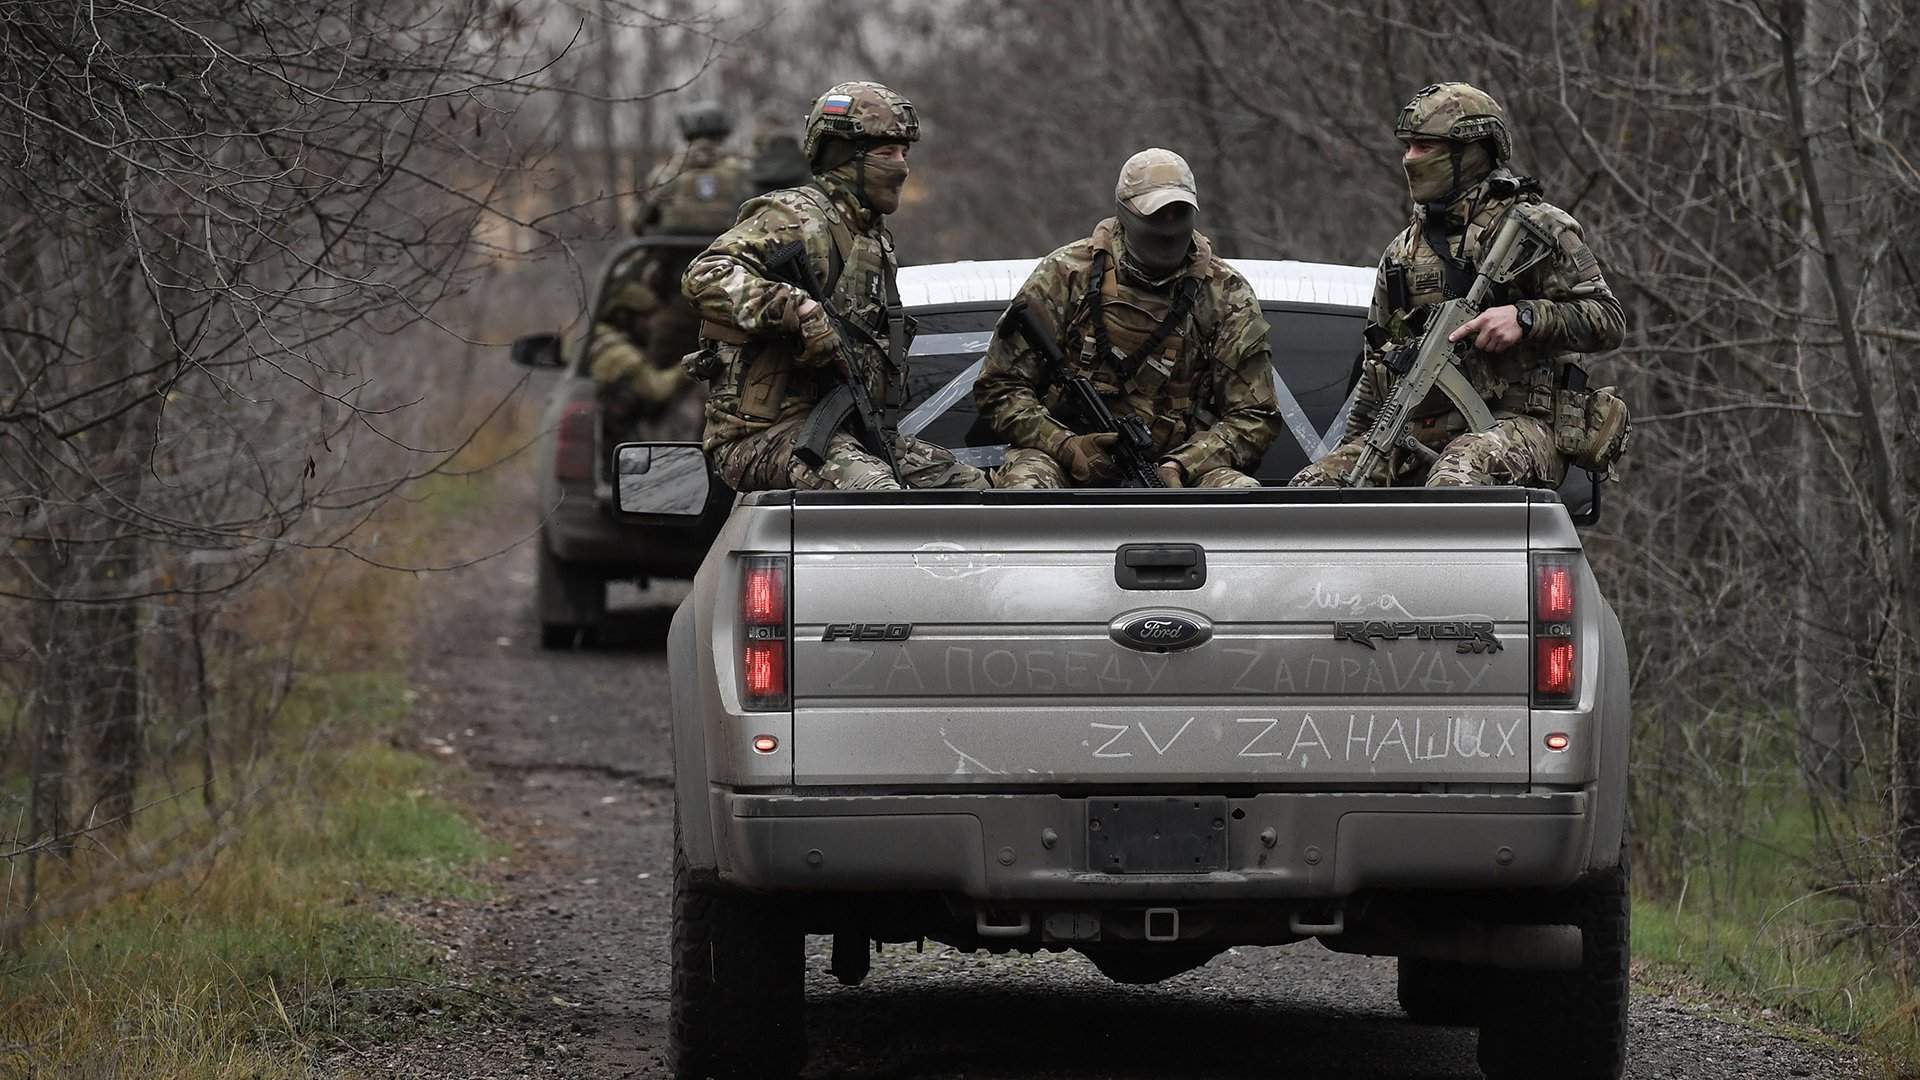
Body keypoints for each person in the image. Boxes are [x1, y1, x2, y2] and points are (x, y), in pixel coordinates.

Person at [1292, 82, 1629, 488]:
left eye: (1425, 147)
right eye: (1408, 146)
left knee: (1457, 477)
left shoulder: (1537, 229)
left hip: (1521, 427)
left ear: (1471, 152)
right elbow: (1376, 369)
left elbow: (1608, 320)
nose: (1410, 159)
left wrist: (1525, 317)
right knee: (1315, 489)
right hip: (1419, 431)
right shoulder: (1403, 252)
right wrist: (1356, 452)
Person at [681, 82, 988, 492]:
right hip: (762, 438)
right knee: (874, 492)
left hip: (852, 432)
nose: (901, 166)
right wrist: (794, 309)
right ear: (844, 156)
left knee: (976, 493)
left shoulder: (874, 240)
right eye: (886, 153)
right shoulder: (795, 216)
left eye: (904, 153)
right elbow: (704, 275)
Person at [976, 148, 1279, 489]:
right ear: (1124, 212)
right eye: (1155, 214)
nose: (1167, 227)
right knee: (1027, 486)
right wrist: (1067, 446)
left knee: (1238, 494)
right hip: (1063, 461)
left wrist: (1182, 464)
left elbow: (1254, 416)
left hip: (1179, 474)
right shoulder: (1066, 275)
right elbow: (999, 388)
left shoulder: (1226, 292)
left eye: (1177, 212)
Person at [587, 101, 745, 442]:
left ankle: (634, 451)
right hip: (740, 298)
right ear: (725, 132)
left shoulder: (668, 174)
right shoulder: (744, 173)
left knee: (651, 384)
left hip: (679, 301)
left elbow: (640, 223)